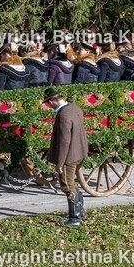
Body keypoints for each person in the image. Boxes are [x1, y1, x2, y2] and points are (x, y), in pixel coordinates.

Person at [45, 87, 90, 228]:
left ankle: (75, 218)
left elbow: (65, 141)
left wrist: (60, 162)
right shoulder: (74, 107)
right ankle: (80, 212)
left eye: (48, 102)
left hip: (69, 156)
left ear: (53, 100)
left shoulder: (63, 115)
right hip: (80, 152)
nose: (48, 105)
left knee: (67, 185)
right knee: (72, 182)